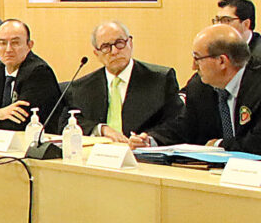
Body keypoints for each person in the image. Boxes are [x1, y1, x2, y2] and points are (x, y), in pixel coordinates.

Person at [149, 24, 261, 160]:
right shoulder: (200, 85)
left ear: (221, 61)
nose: (193, 67)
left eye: (197, 58)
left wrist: (219, 144)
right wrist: (151, 139)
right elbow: (184, 126)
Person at [53, 21, 183, 140]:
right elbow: (67, 121)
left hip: (143, 157)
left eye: (119, 43)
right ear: (96, 54)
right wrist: (101, 129)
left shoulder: (160, 80)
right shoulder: (82, 87)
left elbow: (177, 123)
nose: (114, 51)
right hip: (97, 156)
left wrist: (148, 139)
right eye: (105, 47)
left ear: (130, 43)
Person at [0, 20, 59, 127]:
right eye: (3, 43)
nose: (8, 49)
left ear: (29, 45)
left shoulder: (39, 72)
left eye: (15, 43)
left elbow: (19, 122)